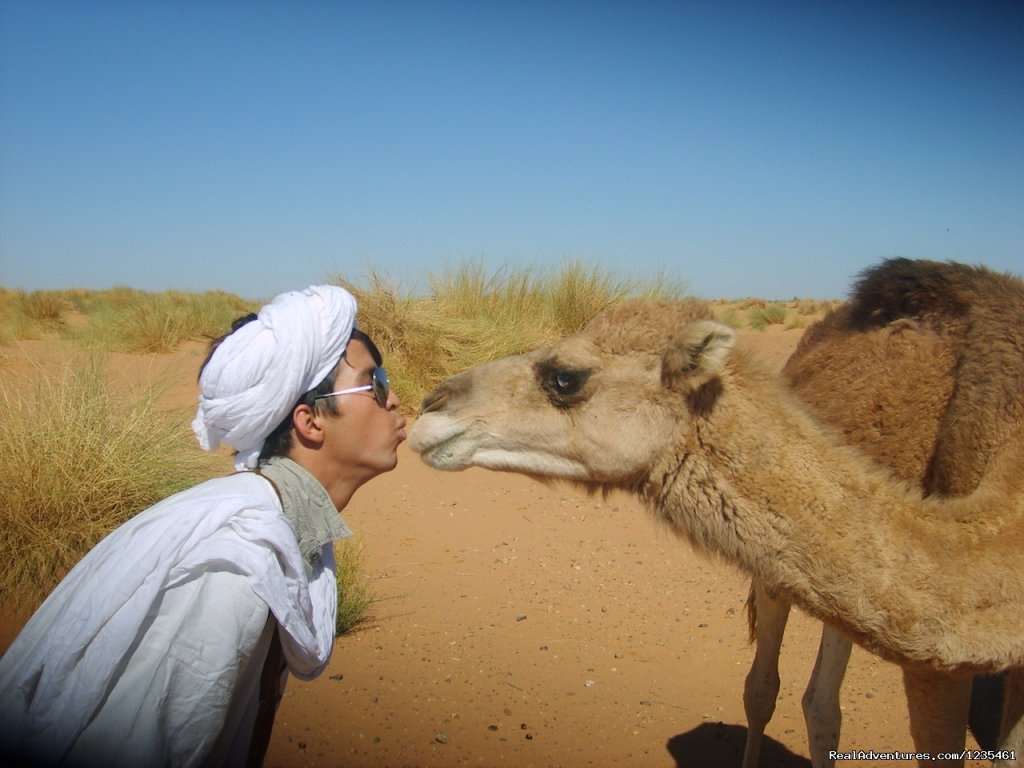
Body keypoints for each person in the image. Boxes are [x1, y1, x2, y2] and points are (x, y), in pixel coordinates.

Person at [0, 285, 406, 767]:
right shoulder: (232, 565)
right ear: (309, 421)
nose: (395, 398)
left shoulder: (280, 525)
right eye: (375, 381)